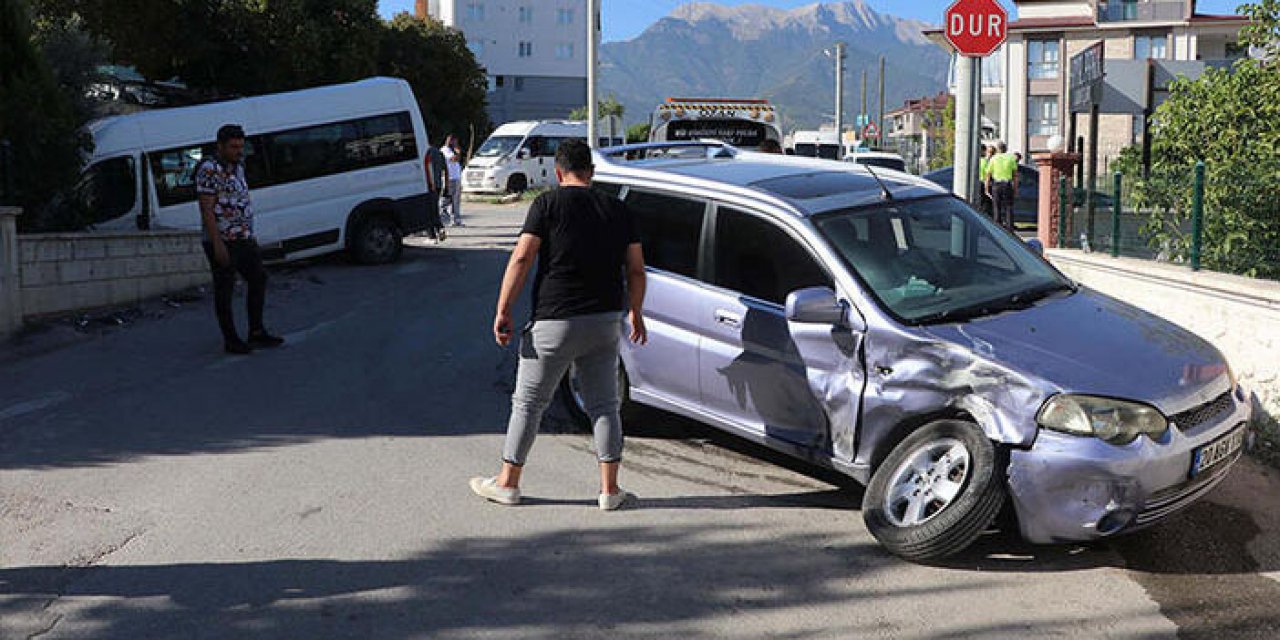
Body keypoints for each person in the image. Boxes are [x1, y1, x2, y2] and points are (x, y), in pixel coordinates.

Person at [471, 139, 648, 511]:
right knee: (605, 406)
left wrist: (503, 309)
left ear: (557, 171)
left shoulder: (547, 204)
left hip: (555, 320)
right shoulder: (619, 210)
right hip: (604, 321)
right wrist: (636, 311)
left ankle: (507, 483)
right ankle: (610, 490)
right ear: (592, 172)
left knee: (528, 404)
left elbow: (522, 258)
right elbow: (635, 269)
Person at [195, 124, 284, 355]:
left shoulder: (238, 168)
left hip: (243, 237)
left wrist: (248, 233)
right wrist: (217, 244)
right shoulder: (209, 169)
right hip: (223, 240)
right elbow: (206, 210)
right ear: (220, 146)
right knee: (225, 289)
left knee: (258, 278)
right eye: (233, 147)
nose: (238, 151)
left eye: (240, 147)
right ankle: (231, 339)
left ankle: (256, 330)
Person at [986, 142, 1019, 232]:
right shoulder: (1011, 158)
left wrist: (986, 189)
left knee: (996, 207)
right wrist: (1015, 189)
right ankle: (1009, 229)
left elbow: (988, 175)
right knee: (1008, 207)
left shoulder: (993, 159)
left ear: (997, 149)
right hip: (1007, 185)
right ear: (1006, 149)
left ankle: (997, 229)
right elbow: (1015, 176)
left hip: (996, 185)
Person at [423, 139, 448, 242]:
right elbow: (445, 170)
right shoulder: (439, 153)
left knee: (427, 211)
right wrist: (446, 186)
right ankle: (440, 228)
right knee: (435, 209)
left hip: (429, 185)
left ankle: (431, 236)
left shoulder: (425, 152)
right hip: (438, 185)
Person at [441, 134, 464, 227]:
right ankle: (442, 212)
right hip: (450, 178)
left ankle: (456, 219)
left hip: (456, 177)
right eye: (454, 141)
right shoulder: (445, 150)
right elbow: (454, 159)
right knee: (449, 199)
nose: (456, 143)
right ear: (450, 141)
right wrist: (458, 152)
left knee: (456, 200)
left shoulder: (451, 150)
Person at [978, 144, 996, 217]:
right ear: (986, 152)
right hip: (984, 184)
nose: (990, 154)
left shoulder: (990, 162)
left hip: (986, 184)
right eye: (989, 152)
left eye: (992, 153)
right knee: (985, 205)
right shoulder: (984, 161)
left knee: (986, 205)